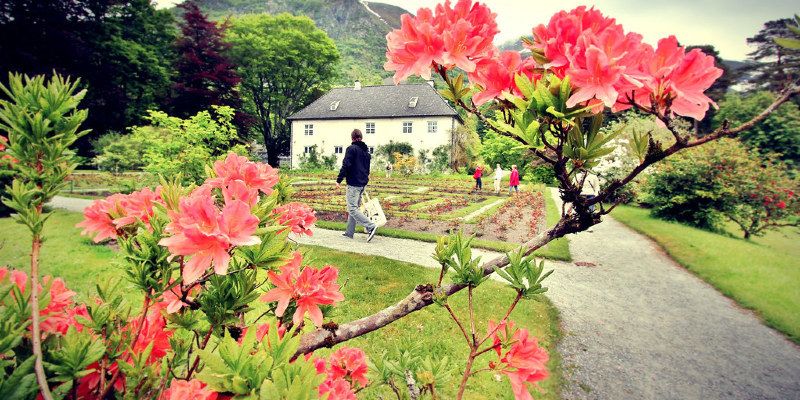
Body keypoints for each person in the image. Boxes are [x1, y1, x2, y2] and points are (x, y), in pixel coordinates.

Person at [336, 129, 377, 242]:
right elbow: (367, 170)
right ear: (361, 137)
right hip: (362, 183)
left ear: (352, 138)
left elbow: (346, 165)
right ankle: (349, 233)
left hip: (354, 183)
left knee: (352, 208)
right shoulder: (366, 153)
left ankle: (371, 226)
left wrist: (339, 179)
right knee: (353, 208)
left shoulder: (351, 149)